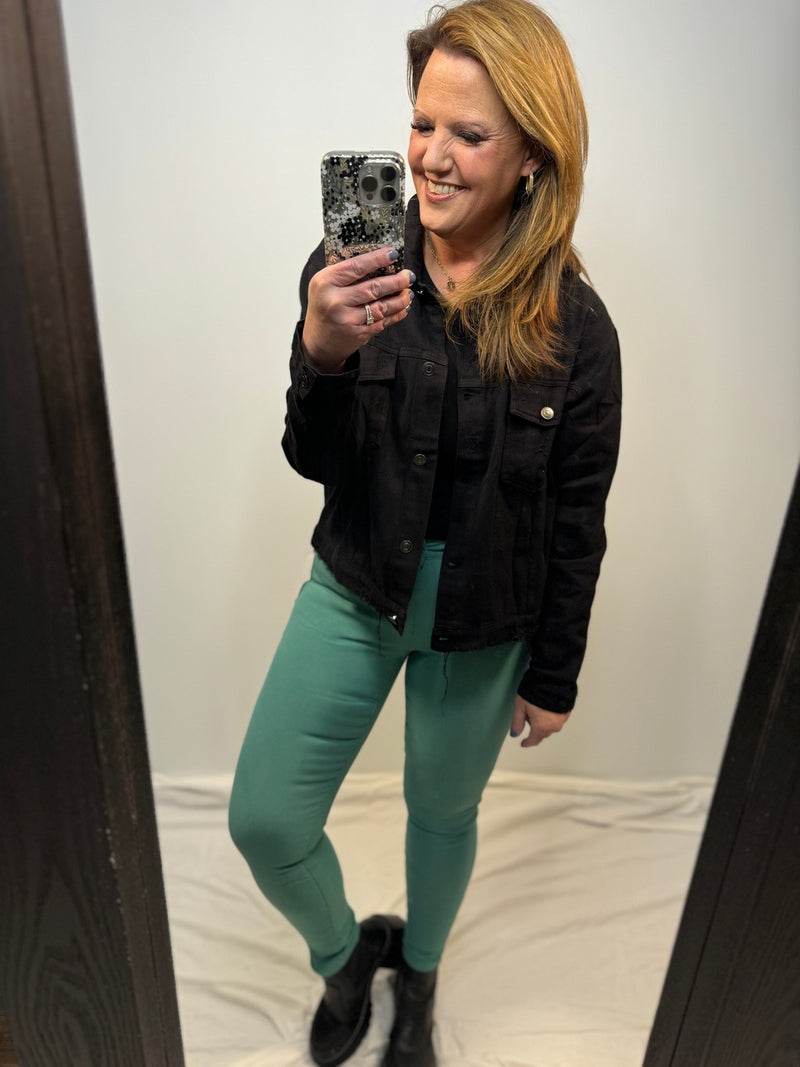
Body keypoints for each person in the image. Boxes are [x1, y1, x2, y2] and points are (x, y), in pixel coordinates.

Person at [229, 0, 621, 1063]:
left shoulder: (578, 329)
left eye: (469, 133)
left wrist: (555, 672)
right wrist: (319, 351)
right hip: (356, 580)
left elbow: (577, 518)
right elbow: (310, 457)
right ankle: (343, 955)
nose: (431, 157)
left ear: (533, 154)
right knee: (265, 816)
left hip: (484, 616)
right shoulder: (352, 267)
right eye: (421, 122)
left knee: (441, 814)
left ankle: (425, 977)